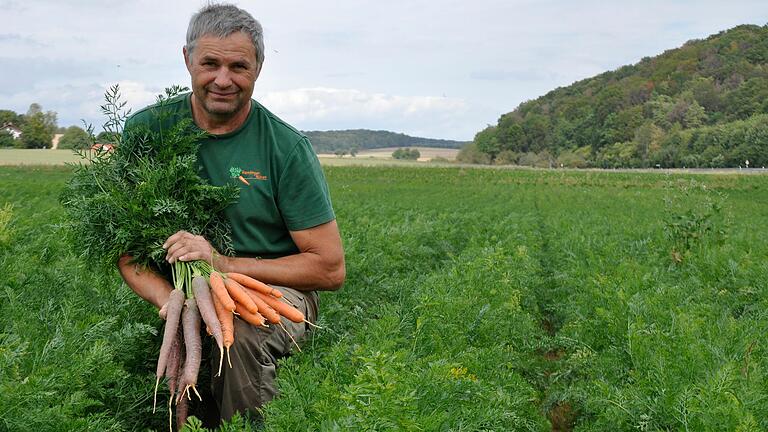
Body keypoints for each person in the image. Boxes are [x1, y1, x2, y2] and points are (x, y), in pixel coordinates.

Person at [116, 3, 345, 426]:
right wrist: (171, 301)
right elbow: (127, 251)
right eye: (210, 63)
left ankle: (247, 424)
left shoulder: (286, 148)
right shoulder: (149, 132)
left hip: (271, 288)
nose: (223, 79)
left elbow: (329, 269)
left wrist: (221, 265)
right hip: (182, 287)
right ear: (187, 60)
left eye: (238, 66)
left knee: (235, 335)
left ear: (258, 68)